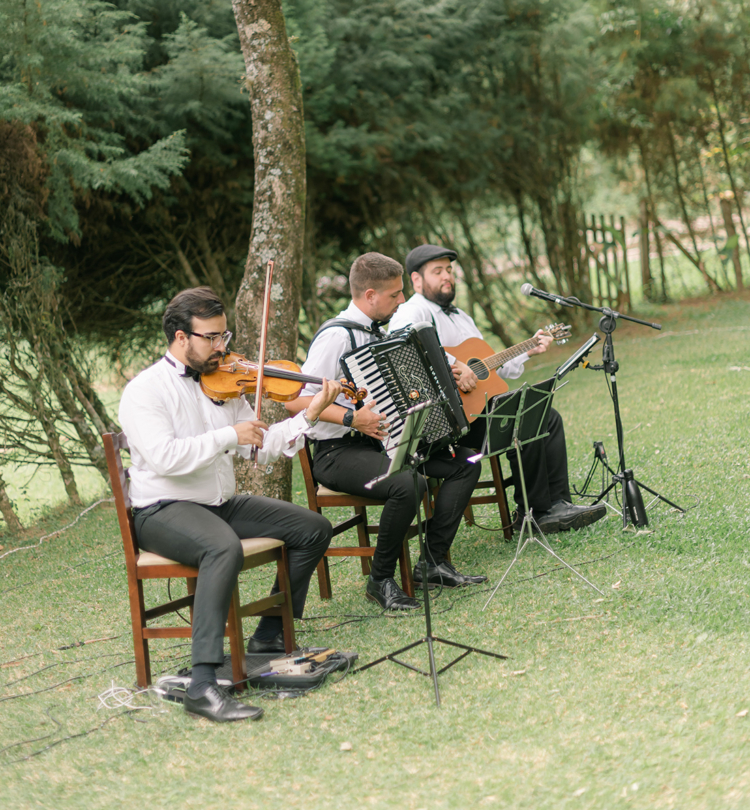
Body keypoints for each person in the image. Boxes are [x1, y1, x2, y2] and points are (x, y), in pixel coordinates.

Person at [118, 286, 339, 724]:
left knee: (312, 528)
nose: (223, 347)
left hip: (217, 503)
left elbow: (262, 447)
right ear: (181, 337)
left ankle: (270, 636)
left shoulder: (223, 384)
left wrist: (311, 413)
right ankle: (202, 685)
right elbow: (165, 456)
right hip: (162, 509)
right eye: (212, 337)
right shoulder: (145, 391)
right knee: (223, 548)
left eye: (225, 336)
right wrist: (227, 436)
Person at [284, 252, 487, 613]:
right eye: (394, 295)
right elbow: (297, 403)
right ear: (370, 295)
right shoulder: (336, 337)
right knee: (409, 483)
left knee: (465, 463)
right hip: (337, 452)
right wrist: (352, 419)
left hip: (384, 443)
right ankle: (380, 579)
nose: (402, 301)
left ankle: (432, 562)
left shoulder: (381, 332)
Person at [389, 245, 605, 534]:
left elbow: (489, 367)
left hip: (476, 409)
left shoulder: (461, 316)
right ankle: (533, 513)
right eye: (437, 271)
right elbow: (405, 342)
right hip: (447, 420)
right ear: (416, 280)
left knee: (545, 414)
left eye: (450, 270)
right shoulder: (412, 310)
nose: (447, 277)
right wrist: (454, 363)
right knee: (524, 418)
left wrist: (529, 349)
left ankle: (558, 504)